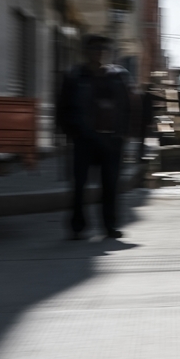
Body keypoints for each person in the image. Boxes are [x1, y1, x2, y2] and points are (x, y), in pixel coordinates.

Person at [57, 35, 132, 240]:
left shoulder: (118, 76)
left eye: (102, 49)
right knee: (79, 187)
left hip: (111, 141)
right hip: (84, 141)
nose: (98, 53)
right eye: (94, 49)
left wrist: (123, 134)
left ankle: (110, 226)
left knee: (110, 187)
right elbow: (62, 108)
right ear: (86, 52)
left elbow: (128, 106)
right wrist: (72, 133)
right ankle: (77, 227)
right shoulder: (74, 77)